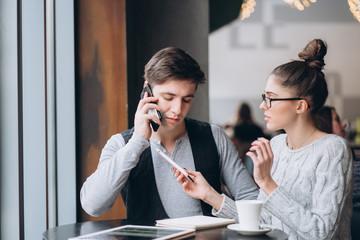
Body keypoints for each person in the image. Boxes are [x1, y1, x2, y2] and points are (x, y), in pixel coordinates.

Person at [175, 39, 354, 239]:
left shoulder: (333, 149)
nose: (263, 106)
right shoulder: (276, 145)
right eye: (264, 96)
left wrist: (267, 183)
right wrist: (209, 194)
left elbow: (321, 233)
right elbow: (261, 224)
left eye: (271, 98)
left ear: (300, 106)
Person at [80, 47, 259, 221]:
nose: (178, 109)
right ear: (147, 91)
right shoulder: (121, 144)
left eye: (187, 100)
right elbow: (93, 206)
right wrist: (137, 142)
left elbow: (253, 204)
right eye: (168, 98)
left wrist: (212, 196)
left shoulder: (214, 136)